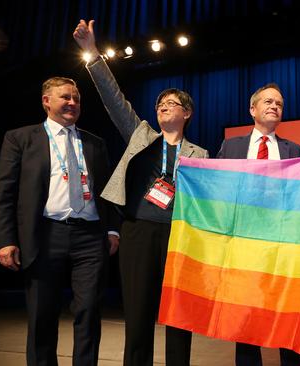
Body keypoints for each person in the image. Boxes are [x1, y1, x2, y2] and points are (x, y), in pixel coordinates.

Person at [73, 19, 208, 366]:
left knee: (178, 314)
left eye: (172, 103)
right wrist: (91, 52)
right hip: (138, 231)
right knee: (137, 310)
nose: (163, 106)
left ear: (187, 113)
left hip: (180, 236)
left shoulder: (201, 155)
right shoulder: (141, 135)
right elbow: (113, 98)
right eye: (160, 103)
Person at [0, 76, 119, 366]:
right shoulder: (21, 138)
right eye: (65, 97)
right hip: (45, 234)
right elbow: (3, 193)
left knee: (89, 310)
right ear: (46, 101)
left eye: (76, 98)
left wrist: (112, 229)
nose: (73, 103)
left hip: (90, 236)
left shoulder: (95, 143)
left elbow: (107, 192)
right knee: (42, 313)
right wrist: (5, 240)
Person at [217, 83, 300, 366]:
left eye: (279, 103)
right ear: (252, 109)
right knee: (246, 320)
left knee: (288, 318)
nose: (274, 106)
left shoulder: (295, 150)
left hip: (284, 246)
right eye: (268, 101)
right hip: (245, 244)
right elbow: (218, 189)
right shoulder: (231, 146)